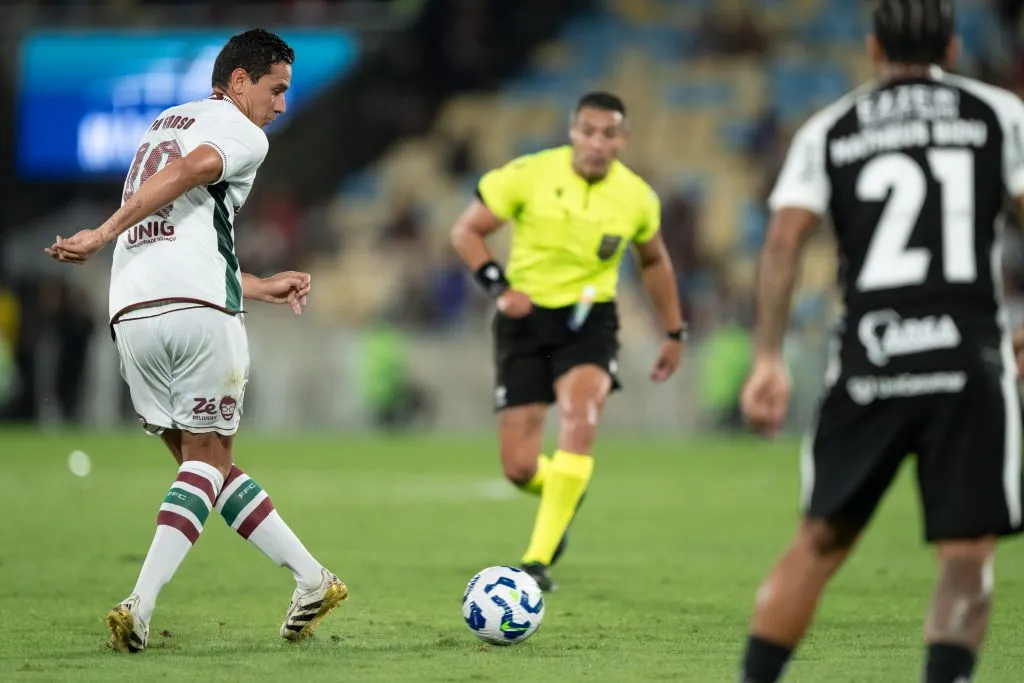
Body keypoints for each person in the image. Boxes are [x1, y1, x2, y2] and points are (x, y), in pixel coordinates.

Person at [737, 2, 1024, 681]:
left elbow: (783, 240)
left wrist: (769, 358)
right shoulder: (998, 115)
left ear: (872, 48)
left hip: (871, 353)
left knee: (819, 539)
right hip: (968, 355)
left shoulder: (831, 127)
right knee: (965, 551)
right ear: (952, 49)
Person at [45, 29, 347, 652]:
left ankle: (312, 580)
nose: (281, 105)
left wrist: (255, 284)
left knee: (202, 463)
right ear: (239, 82)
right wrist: (100, 233)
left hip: (133, 312)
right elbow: (196, 170)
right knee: (207, 461)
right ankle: (141, 604)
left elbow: (178, 228)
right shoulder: (238, 130)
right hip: (195, 313)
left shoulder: (161, 124)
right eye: (276, 89)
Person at [450, 92, 686, 592]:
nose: (598, 142)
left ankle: (535, 563)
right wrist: (499, 287)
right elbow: (467, 231)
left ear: (623, 139)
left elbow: (653, 261)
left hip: (589, 321)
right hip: (525, 319)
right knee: (518, 468)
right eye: (589, 130)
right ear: (572, 131)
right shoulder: (528, 174)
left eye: (610, 133)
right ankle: (564, 488)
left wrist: (674, 330)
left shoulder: (637, 197)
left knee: (581, 419)